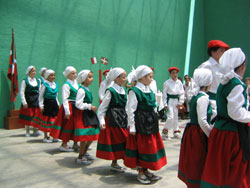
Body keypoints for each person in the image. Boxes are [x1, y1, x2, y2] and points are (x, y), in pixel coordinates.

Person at [201, 48, 250, 187]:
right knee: (234, 168)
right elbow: (235, 113)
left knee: (219, 168)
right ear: (242, 66)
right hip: (232, 134)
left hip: (221, 131)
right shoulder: (237, 85)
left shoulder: (224, 82)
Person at [124, 65, 167, 184]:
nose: (151, 79)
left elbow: (153, 106)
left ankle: (147, 170)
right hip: (141, 122)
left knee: (149, 146)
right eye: (150, 77)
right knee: (142, 146)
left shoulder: (149, 90)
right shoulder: (134, 91)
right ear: (142, 78)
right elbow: (130, 109)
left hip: (150, 122)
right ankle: (141, 171)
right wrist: (132, 125)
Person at [178, 68, 215, 187]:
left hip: (192, 131)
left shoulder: (196, 95)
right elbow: (202, 121)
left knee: (193, 161)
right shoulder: (203, 98)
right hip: (199, 134)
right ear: (208, 82)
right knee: (198, 162)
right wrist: (211, 136)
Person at [96, 67, 128, 172]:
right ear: (116, 78)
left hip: (122, 118)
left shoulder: (123, 90)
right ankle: (115, 162)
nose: (125, 79)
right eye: (123, 77)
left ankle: (118, 161)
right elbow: (102, 107)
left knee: (124, 140)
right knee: (117, 140)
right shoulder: (110, 91)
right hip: (113, 119)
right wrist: (102, 121)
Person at [50, 66, 79, 152]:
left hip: (76, 106)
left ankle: (75, 143)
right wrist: (67, 111)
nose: (75, 75)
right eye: (72, 73)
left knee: (75, 125)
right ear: (67, 74)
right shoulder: (66, 85)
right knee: (67, 125)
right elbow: (65, 98)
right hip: (70, 106)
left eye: (75, 73)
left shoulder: (76, 84)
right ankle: (64, 144)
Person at [74, 70, 100, 165]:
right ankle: (80, 156)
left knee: (93, 134)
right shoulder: (81, 90)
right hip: (83, 115)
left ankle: (84, 152)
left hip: (89, 114)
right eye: (89, 77)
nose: (91, 79)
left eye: (91, 76)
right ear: (84, 79)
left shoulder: (87, 89)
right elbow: (78, 104)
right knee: (84, 137)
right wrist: (89, 106)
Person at [198, 40, 229, 111]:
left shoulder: (223, 66)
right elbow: (199, 85)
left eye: (224, 51)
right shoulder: (206, 66)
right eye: (221, 50)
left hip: (221, 98)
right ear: (213, 51)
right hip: (210, 98)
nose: (223, 53)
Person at [34, 69, 60, 143]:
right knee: (47, 120)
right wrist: (41, 105)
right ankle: (46, 136)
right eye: (51, 75)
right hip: (47, 104)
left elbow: (56, 96)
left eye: (54, 75)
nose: (53, 77)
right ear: (47, 76)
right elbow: (41, 96)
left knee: (54, 120)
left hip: (54, 104)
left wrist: (58, 104)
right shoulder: (44, 85)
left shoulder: (55, 85)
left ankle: (55, 136)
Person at [162, 67, 184, 140]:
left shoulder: (179, 82)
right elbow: (164, 93)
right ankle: (164, 133)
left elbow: (182, 92)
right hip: (170, 100)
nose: (175, 75)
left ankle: (176, 132)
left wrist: (180, 102)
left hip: (176, 101)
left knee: (175, 117)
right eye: (173, 73)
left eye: (176, 73)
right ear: (170, 74)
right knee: (170, 117)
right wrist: (165, 104)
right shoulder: (167, 82)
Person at [19, 66, 41, 137]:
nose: (34, 72)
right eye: (33, 71)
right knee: (28, 116)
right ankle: (27, 130)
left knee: (36, 115)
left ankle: (36, 130)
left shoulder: (38, 81)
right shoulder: (25, 81)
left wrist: (40, 101)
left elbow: (40, 91)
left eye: (35, 71)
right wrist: (24, 102)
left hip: (36, 100)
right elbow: (22, 92)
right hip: (28, 100)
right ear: (29, 72)